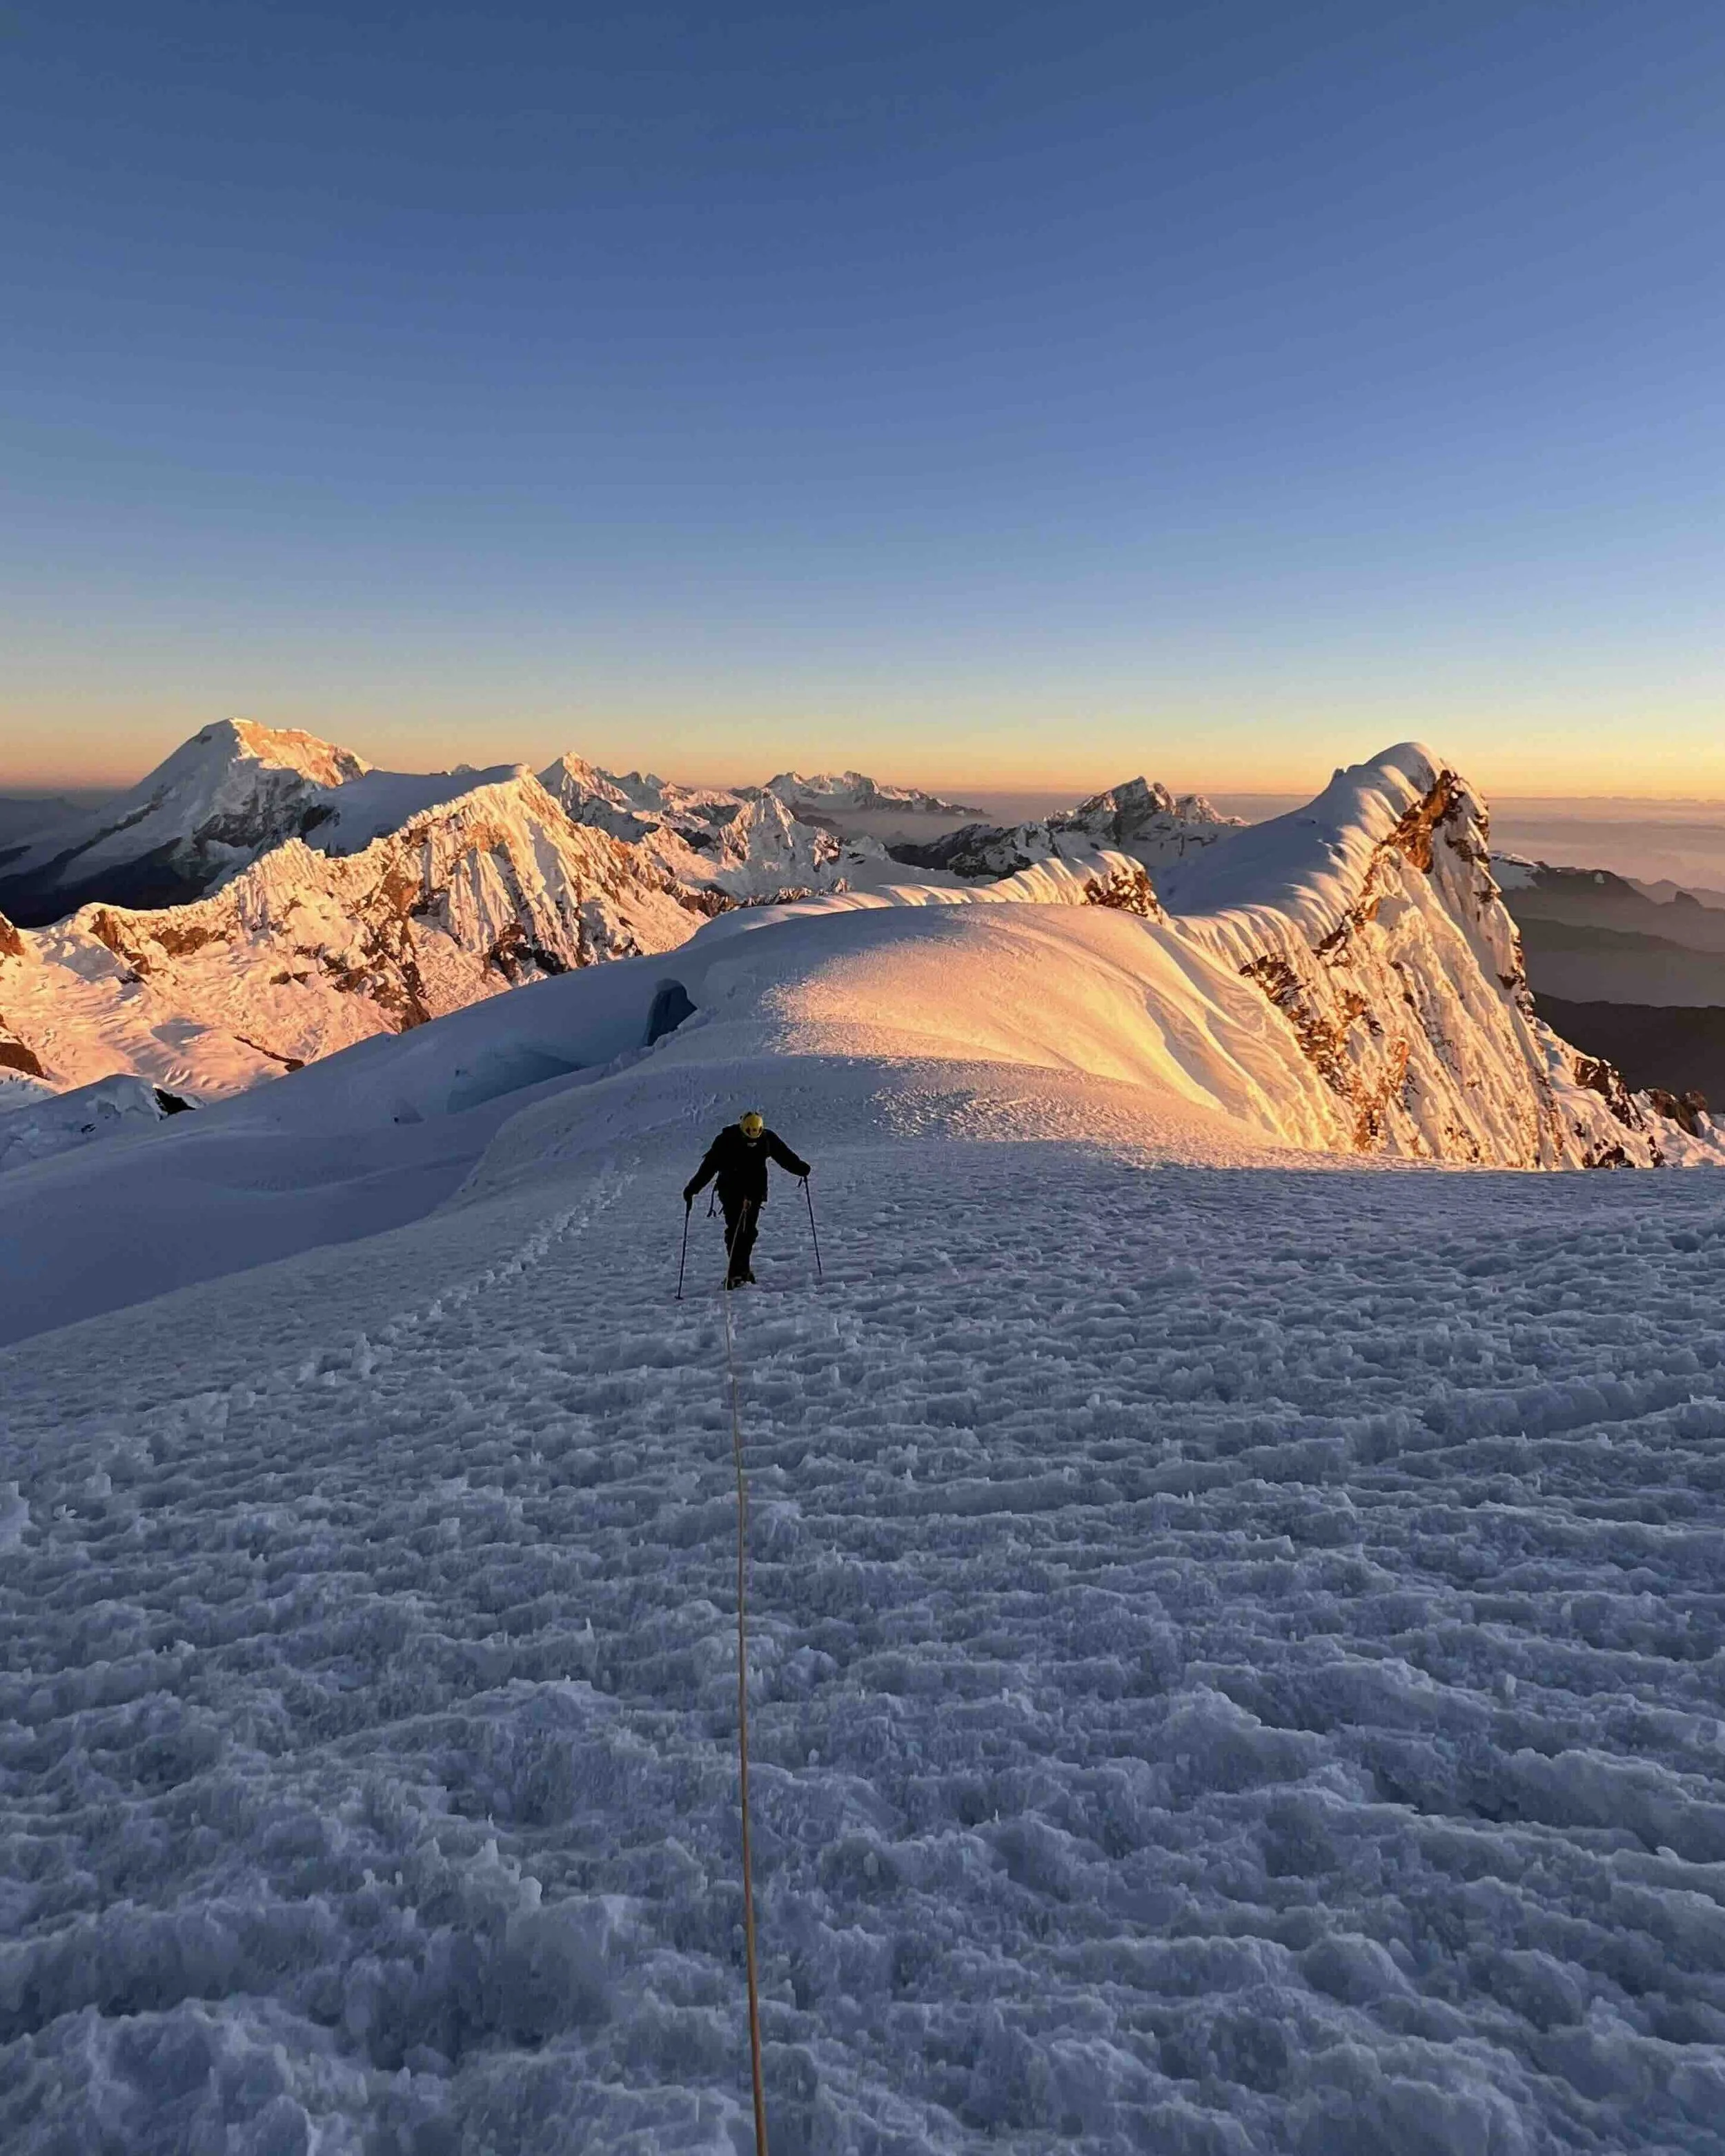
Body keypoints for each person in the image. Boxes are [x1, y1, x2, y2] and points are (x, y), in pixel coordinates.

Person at [684, 1110, 811, 1288]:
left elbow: (784, 1156)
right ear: (742, 1129)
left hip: (754, 1193)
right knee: (736, 1230)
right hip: (731, 1191)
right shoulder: (726, 1141)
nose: (753, 1139)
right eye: (749, 1133)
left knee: (748, 1232)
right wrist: (692, 1189)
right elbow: (709, 1167)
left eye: (756, 1133)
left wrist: (801, 1169)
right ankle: (735, 1273)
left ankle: (743, 1270)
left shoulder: (767, 1139)